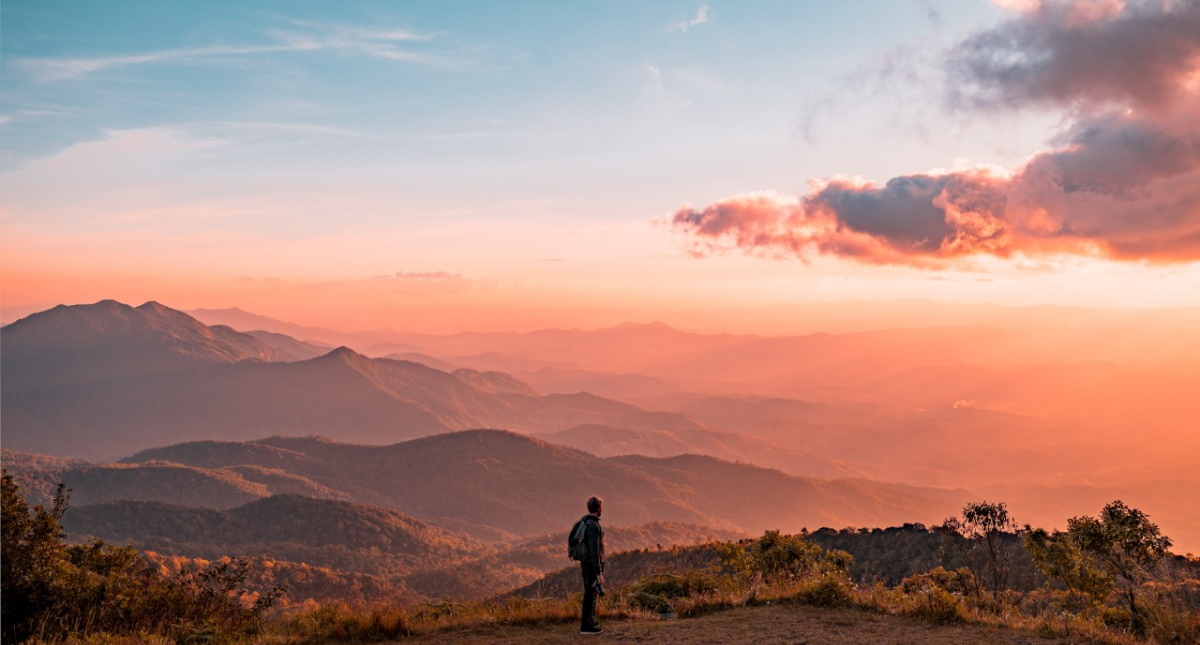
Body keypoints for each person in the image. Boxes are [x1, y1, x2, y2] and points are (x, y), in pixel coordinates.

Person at [579, 495, 606, 634]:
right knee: (590, 594)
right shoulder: (593, 527)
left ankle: (589, 620)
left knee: (592, 593)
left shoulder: (588, 522)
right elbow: (594, 551)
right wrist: (598, 572)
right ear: (599, 508)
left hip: (587, 564)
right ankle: (586, 627)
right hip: (591, 566)